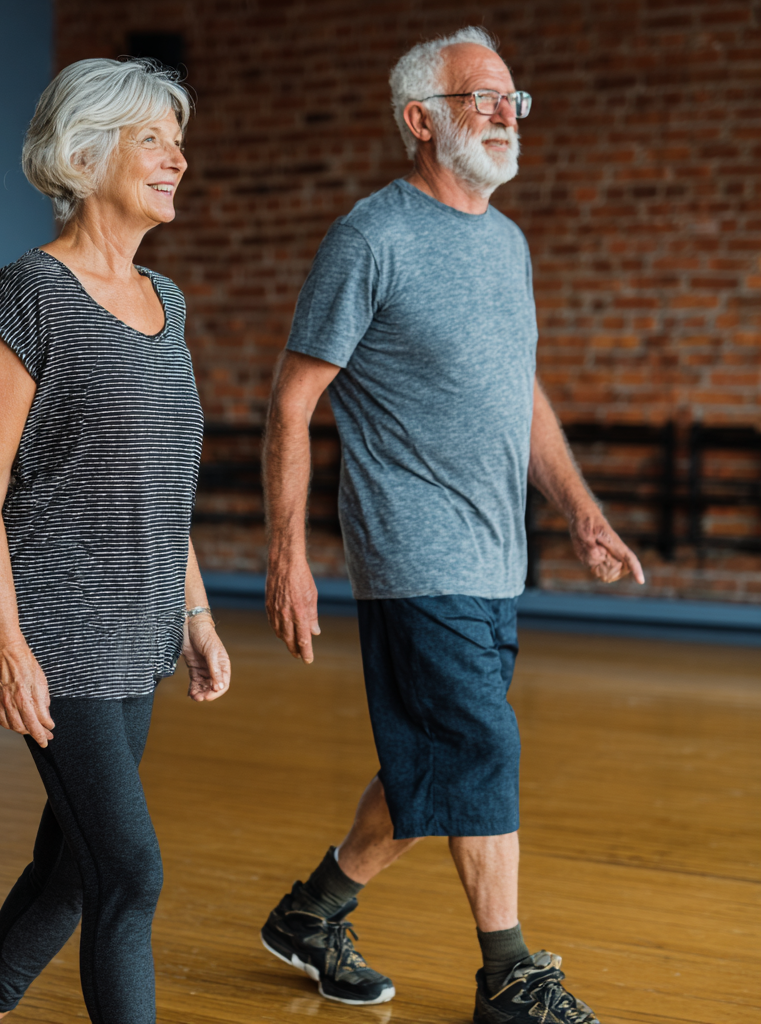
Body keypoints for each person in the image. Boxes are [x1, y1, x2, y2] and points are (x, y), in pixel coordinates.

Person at [259, 26, 643, 1024]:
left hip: (493, 553)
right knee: (480, 749)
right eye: (481, 97)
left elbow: (518, 395)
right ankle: (509, 977)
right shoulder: (371, 237)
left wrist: (582, 514)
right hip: (411, 551)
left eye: (514, 96)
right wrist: (285, 556)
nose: (506, 113)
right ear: (419, 120)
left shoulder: (504, 243)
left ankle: (313, 911)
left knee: (431, 766)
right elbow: (292, 401)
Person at [0, 58, 231, 1024]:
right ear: (86, 149)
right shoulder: (29, 294)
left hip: (138, 630)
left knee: (72, 864)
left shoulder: (164, 301)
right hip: (54, 632)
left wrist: (195, 612)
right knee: (130, 873)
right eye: (154, 139)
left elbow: (163, 482)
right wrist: (8, 648)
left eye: (175, 141)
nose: (177, 159)